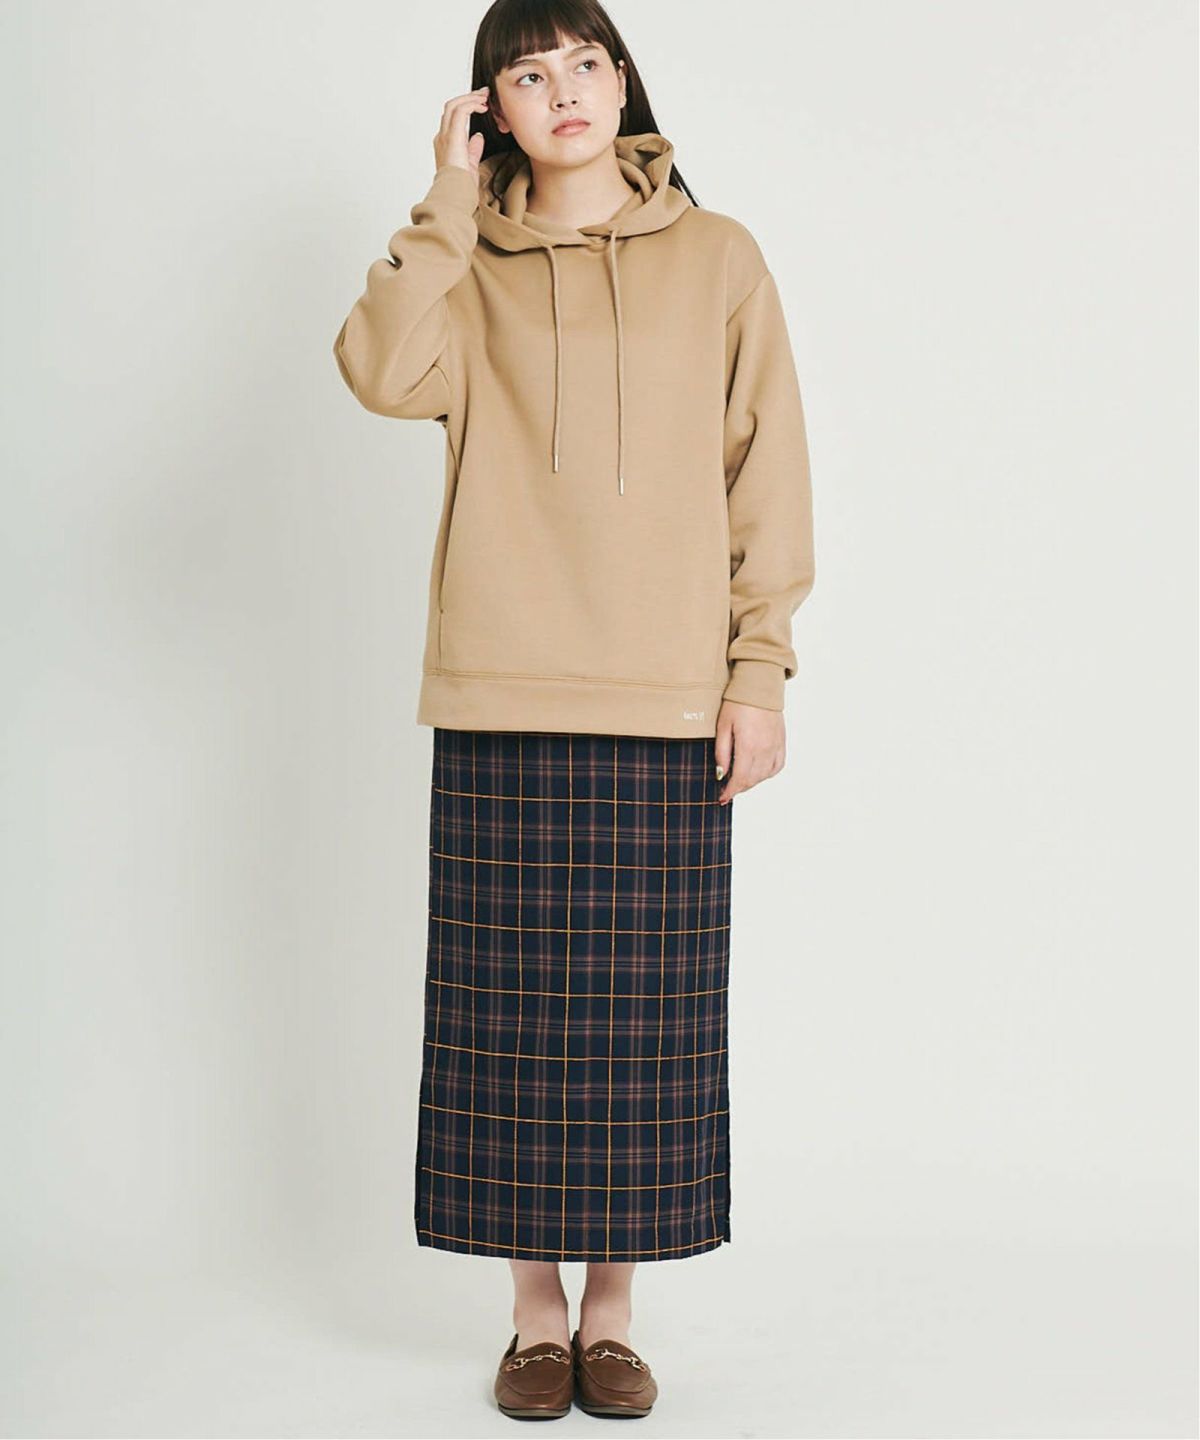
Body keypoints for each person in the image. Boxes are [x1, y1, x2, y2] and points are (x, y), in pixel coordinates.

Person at [332, 0, 815, 1419]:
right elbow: (375, 372)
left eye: (586, 63)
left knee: (645, 1029)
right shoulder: (465, 264)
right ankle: (533, 1317)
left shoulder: (720, 258)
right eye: (528, 74)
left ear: (623, 82)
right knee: (511, 1027)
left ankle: (613, 1315)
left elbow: (766, 471)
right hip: (502, 685)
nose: (565, 91)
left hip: (666, 696)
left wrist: (759, 670)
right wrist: (443, 198)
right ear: (492, 108)